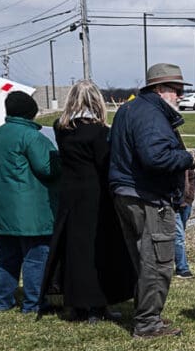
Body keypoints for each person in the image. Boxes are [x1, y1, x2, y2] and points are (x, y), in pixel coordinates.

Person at [109, 62, 195, 339]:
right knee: (157, 262)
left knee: (141, 258)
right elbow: (156, 157)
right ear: (160, 89)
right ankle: (148, 323)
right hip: (149, 197)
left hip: (127, 193)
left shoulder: (130, 109)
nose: (181, 96)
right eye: (177, 89)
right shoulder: (152, 116)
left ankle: (147, 315)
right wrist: (189, 158)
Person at [42, 80, 136, 322]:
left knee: (74, 250)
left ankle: (77, 304)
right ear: (97, 101)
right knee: (97, 249)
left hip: (70, 194)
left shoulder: (60, 128)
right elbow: (104, 164)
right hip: (95, 195)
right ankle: (97, 304)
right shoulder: (99, 131)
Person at [0, 91, 60, 313]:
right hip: (30, 209)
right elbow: (47, 168)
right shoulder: (33, 137)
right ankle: (34, 303)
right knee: (36, 255)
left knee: (6, 255)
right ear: (32, 112)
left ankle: (1, 300)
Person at [173, 168, 195, 279]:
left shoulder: (186, 161)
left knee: (178, 236)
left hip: (186, 204)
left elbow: (192, 179)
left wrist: (189, 199)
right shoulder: (168, 160)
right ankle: (182, 269)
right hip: (173, 205)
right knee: (179, 237)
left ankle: (174, 263)